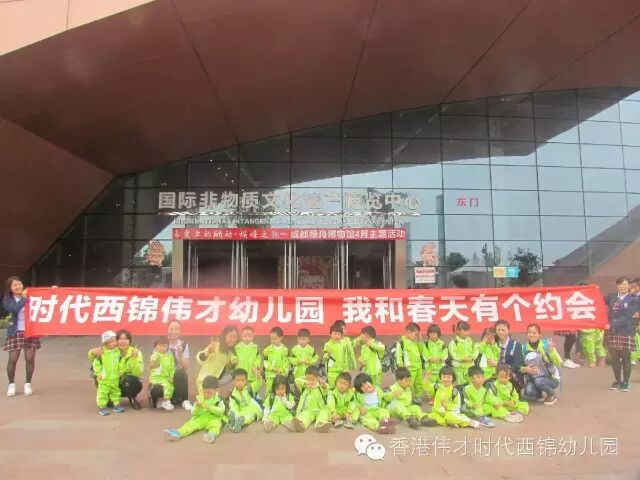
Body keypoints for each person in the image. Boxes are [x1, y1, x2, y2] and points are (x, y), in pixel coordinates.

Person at [88, 329, 144, 410]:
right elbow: (93, 359)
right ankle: (109, 397)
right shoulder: (109, 350)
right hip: (112, 380)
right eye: (120, 339)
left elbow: (137, 373)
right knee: (96, 372)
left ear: (129, 341)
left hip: (128, 381)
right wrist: (92, 352)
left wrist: (134, 360)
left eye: (125, 339)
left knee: (127, 379)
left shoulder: (135, 352)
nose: (122, 342)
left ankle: (132, 398)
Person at [3, 276, 40, 397]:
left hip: (30, 331)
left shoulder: (30, 295)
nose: (18, 287)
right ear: (10, 288)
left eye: (19, 284)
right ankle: (11, 384)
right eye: (15, 285)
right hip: (15, 331)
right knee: (13, 359)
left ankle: (28, 384)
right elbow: (13, 309)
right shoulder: (8, 299)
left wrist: (53, 290)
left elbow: (45, 299)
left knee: (30, 358)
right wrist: (24, 299)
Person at [164, 375, 226, 444]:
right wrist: (197, 407)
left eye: (209, 393)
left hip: (213, 418)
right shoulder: (200, 398)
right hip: (201, 417)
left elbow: (221, 411)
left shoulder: (219, 400)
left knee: (216, 425)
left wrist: (210, 407)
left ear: (216, 391)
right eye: (204, 392)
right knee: (191, 424)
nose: (206, 394)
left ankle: (211, 435)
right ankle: (178, 433)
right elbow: (193, 413)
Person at [605, 277, 639, 392]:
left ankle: (625, 381)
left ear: (629, 286)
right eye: (620, 284)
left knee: (625, 357)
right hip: (613, 332)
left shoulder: (634, 299)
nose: (622, 286)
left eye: (624, 284)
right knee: (615, 357)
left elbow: (628, 316)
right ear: (617, 285)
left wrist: (612, 324)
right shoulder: (611, 296)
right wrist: (592, 289)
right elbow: (597, 300)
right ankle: (617, 381)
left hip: (626, 331)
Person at [522, 324, 562, 405]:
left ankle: (552, 394)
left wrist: (551, 351)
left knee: (539, 381)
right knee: (529, 391)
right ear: (526, 334)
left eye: (534, 333)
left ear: (539, 334)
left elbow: (559, 362)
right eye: (529, 332)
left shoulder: (547, 344)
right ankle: (539, 393)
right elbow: (520, 365)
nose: (532, 335)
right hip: (533, 378)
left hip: (551, 377)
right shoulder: (523, 348)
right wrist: (525, 369)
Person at [195, 325, 239, 396]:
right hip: (204, 382)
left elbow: (229, 368)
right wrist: (208, 352)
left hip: (214, 384)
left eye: (235, 337)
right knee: (208, 401)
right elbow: (199, 359)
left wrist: (234, 362)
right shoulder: (216, 346)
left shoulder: (230, 352)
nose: (233, 339)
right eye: (231, 336)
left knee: (216, 400)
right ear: (224, 336)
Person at [94, 331, 125, 416]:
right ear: (105, 342)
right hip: (104, 378)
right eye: (111, 341)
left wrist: (121, 371)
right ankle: (102, 406)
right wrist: (98, 373)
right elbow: (96, 364)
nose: (114, 343)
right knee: (102, 392)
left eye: (115, 341)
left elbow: (121, 362)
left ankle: (116, 404)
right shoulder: (101, 353)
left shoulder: (118, 352)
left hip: (115, 377)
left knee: (116, 391)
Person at [394, 322, 427, 403]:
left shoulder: (415, 342)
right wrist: (401, 369)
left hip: (418, 367)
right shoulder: (401, 343)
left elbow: (421, 351)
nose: (416, 337)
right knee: (408, 385)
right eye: (415, 334)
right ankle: (408, 398)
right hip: (409, 369)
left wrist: (420, 341)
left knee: (419, 383)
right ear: (408, 332)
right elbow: (398, 356)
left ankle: (418, 397)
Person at [291, 366, 331, 433]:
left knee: (324, 413)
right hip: (308, 410)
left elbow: (327, 388)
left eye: (312, 379)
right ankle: (301, 425)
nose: (310, 382)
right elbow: (296, 380)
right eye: (308, 379)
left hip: (320, 409)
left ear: (317, 378)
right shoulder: (304, 387)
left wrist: (323, 383)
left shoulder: (320, 386)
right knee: (304, 415)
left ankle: (320, 425)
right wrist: (305, 382)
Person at [226, 368, 263, 432]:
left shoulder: (249, 388)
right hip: (241, 410)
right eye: (237, 380)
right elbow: (233, 406)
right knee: (232, 412)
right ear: (233, 382)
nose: (240, 383)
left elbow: (258, 383)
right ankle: (234, 421)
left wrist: (258, 376)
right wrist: (235, 413)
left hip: (252, 408)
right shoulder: (233, 394)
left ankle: (240, 423)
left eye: (242, 380)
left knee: (249, 416)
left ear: (246, 381)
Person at [166, 320, 191, 410]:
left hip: (176, 376)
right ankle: (167, 399)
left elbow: (186, 366)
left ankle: (185, 400)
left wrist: (180, 355)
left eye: (176, 329)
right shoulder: (162, 343)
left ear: (180, 331)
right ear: (167, 330)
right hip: (165, 375)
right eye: (171, 329)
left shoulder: (184, 345)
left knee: (182, 373)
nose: (173, 332)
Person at [495, 320, 525, 391]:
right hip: (497, 375)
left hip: (512, 375)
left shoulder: (516, 345)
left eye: (503, 330)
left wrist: (498, 365)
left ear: (508, 330)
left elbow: (516, 365)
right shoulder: (494, 345)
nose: (500, 332)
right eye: (498, 330)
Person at [233, 326, 262, 397]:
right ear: (241, 335)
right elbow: (233, 356)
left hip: (251, 375)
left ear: (253, 336)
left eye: (249, 336)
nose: (247, 338)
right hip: (239, 376)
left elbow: (258, 358)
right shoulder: (237, 347)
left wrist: (255, 365)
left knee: (250, 392)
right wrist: (234, 359)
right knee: (239, 393)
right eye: (245, 336)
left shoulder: (255, 348)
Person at [148, 337, 176, 411]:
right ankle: (166, 401)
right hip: (156, 377)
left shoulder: (170, 356)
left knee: (171, 386)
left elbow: (172, 367)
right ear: (156, 346)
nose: (162, 348)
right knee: (166, 386)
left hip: (165, 377)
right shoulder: (155, 355)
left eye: (164, 346)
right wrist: (154, 362)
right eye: (160, 346)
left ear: (167, 347)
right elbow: (151, 366)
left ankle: (163, 401)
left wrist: (171, 376)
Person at [448, 321, 478, 385]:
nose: (467, 333)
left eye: (468, 331)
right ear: (458, 331)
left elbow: (476, 350)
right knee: (460, 386)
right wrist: (462, 358)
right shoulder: (453, 342)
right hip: (459, 369)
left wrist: (472, 358)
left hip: (470, 368)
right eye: (465, 331)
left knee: (470, 385)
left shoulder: (470, 341)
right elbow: (453, 354)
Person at [323, 324, 352, 388]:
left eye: (338, 334)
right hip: (332, 371)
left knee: (341, 387)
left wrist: (346, 368)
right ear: (330, 335)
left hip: (341, 370)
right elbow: (324, 358)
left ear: (341, 335)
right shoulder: (327, 345)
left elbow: (345, 358)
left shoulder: (343, 345)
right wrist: (328, 354)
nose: (336, 336)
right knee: (332, 387)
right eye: (334, 334)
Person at [263, 327, 289, 394]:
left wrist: (281, 369)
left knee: (280, 392)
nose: (272, 341)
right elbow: (265, 362)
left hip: (281, 376)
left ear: (281, 338)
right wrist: (272, 368)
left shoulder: (285, 350)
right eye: (271, 339)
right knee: (269, 392)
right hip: (270, 376)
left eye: (274, 339)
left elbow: (286, 362)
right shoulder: (267, 350)